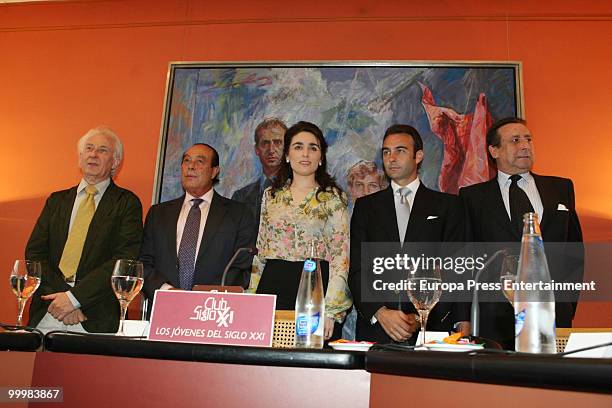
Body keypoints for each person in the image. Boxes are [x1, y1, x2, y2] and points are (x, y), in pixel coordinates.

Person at [459, 117, 583, 349]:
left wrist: (567, 301)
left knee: (552, 383)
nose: (525, 145)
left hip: (554, 314)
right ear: (494, 151)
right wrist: (465, 316)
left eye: (528, 139)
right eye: (515, 140)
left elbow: (575, 251)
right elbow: (466, 258)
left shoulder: (561, 188)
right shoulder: (472, 197)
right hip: (494, 321)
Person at [349, 124, 465, 344]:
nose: (391, 158)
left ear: (418, 156)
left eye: (400, 150)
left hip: (430, 330)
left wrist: (421, 316)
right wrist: (380, 313)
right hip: (377, 330)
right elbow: (357, 269)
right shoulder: (366, 207)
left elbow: (455, 269)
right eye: (386, 152)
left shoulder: (447, 206)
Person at [26, 126, 143, 333]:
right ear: (80, 158)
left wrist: (75, 298)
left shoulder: (126, 203)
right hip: (48, 308)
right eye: (88, 148)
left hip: (95, 315)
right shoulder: (57, 200)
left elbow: (123, 259)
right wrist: (64, 299)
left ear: (115, 162)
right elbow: (35, 254)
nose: (93, 154)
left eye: (102, 150)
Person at [249, 121, 351, 340]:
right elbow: (261, 253)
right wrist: (252, 300)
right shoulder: (271, 196)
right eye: (298, 147)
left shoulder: (333, 198)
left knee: (310, 364)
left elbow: (340, 258)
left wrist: (331, 311)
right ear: (287, 155)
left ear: (321, 157)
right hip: (273, 284)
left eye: (313, 148)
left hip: (314, 286)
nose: (305, 154)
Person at [140, 143, 256, 299]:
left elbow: (241, 266)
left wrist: (205, 295)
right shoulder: (158, 214)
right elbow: (144, 263)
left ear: (214, 171)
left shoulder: (238, 213)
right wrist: (167, 291)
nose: (191, 166)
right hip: (164, 306)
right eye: (187, 161)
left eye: (200, 162)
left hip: (213, 308)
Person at [232, 118, 287, 228]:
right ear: (257, 149)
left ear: (287, 148)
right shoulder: (240, 197)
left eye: (277, 142)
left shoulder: (300, 191)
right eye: (265, 143)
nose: (271, 149)